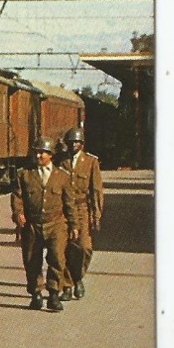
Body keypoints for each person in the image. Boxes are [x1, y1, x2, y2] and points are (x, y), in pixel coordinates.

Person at [10, 137, 77, 312]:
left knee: (57, 258)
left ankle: (54, 294)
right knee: (32, 260)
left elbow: (69, 203)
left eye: (43, 153)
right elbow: (17, 197)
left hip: (56, 224)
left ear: (51, 155)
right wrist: (18, 213)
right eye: (36, 152)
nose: (39, 156)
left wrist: (74, 225)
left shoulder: (62, 176)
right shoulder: (24, 174)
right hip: (32, 225)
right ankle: (36, 294)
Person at [59, 126, 104, 299]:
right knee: (63, 249)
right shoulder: (59, 161)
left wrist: (96, 214)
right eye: (71, 142)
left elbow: (96, 190)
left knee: (84, 248)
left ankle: (78, 278)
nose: (73, 145)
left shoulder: (91, 162)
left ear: (82, 144)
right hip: (62, 210)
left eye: (77, 142)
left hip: (82, 209)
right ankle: (67, 285)